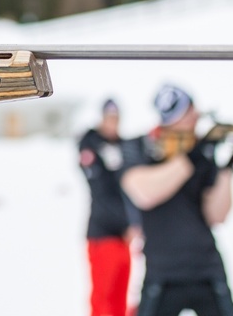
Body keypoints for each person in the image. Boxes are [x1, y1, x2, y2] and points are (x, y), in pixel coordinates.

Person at [118, 84, 233, 316]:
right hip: (163, 274)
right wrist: (190, 158)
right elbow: (145, 194)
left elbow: (217, 215)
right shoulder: (139, 147)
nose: (194, 120)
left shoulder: (201, 151)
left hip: (207, 269)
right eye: (187, 115)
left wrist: (228, 168)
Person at [78, 98, 140, 316]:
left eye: (116, 119)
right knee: (103, 299)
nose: (113, 123)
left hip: (124, 237)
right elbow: (101, 192)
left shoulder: (123, 147)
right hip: (103, 235)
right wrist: (127, 224)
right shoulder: (91, 145)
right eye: (109, 118)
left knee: (121, 299)